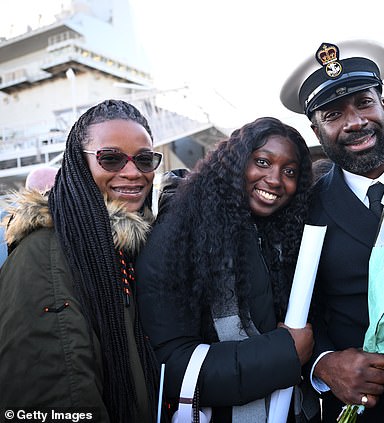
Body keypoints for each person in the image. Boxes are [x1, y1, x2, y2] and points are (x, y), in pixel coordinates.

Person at [280, 39, 384, 422]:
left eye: (364, 103)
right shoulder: (305, 210)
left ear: (383, 104)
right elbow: (298, 308)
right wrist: (323, 364)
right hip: (366, 410)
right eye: (333, 113)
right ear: (316, 128)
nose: (355, 122)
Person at [135, 117, 320, 422]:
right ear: (235, 162)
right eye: (262, 162)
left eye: (290, 172)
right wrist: (283, 354)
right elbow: (169, 364)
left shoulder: (281, 233)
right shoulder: (177, 234)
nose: (275, 179)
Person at [0, 99, 162, 422]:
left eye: (144, 160)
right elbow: (57, 401)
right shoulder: (44, 255)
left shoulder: (124, 248)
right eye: (111, 158)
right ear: (78, 164)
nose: (132, 172)